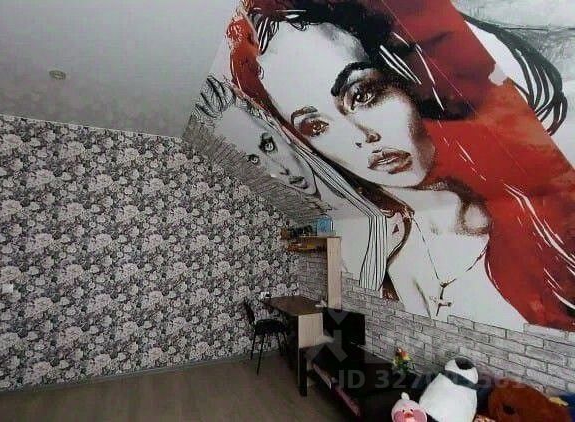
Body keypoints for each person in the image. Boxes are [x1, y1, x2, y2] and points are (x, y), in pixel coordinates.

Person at [225, 0, 575, 330]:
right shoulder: (384, 251)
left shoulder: (536, 218)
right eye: (316, 126)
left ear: (408, 79)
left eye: (362, 95)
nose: (361, 136)